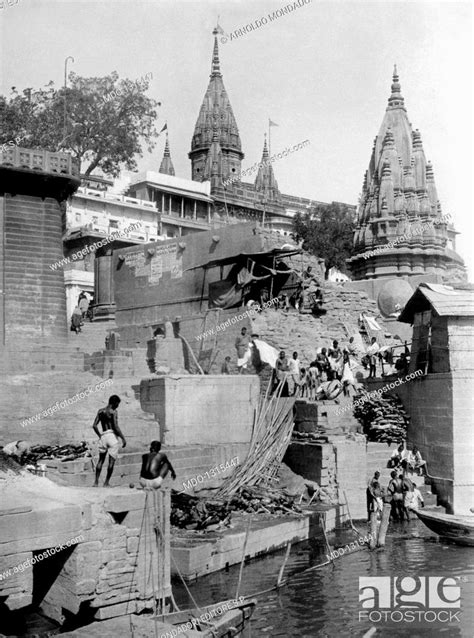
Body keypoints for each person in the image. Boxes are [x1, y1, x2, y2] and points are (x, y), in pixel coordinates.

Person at [92, 395, 126, 487]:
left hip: (103, 436)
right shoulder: (113, 412)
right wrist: (123, 438)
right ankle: (106, 483)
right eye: (117, 404)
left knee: (100, 460)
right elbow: (115, 426)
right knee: (111, 462)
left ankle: (96, 482)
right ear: (114, 403)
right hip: (112, 436)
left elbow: (94, 425)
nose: (118, 406)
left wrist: (100, 435)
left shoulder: (100, 411)